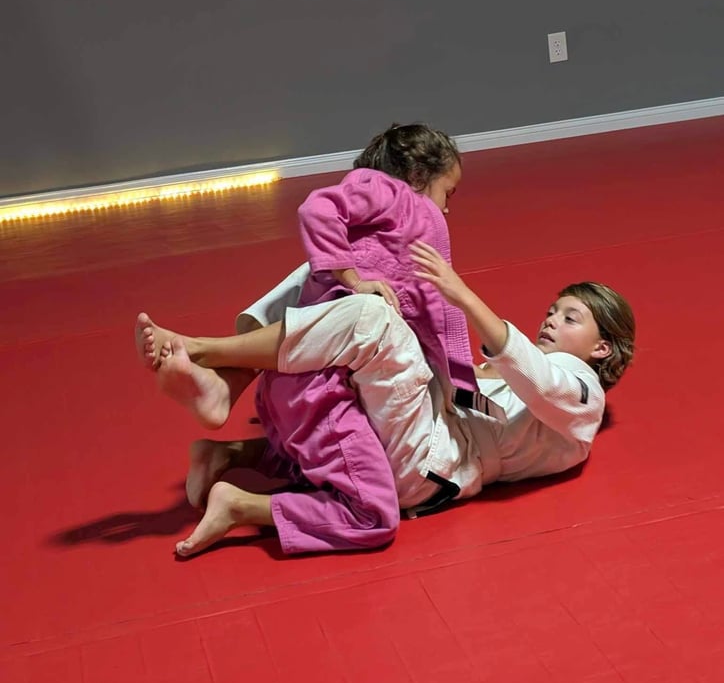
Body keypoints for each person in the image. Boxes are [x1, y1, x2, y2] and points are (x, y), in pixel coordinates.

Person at [139, 242, 635, 557]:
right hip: (421, 430)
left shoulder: (583, 403)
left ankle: (204, 353)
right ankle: (228, 441)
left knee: (371, 320)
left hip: (435, 462)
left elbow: (543, 384)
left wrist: (461, 295)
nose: (550, 319)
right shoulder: (508, 371)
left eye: (570, 318)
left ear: (602, 349)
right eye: (552, 310)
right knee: (348, 264)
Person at [137, 123, 482, 555]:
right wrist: (353, 280)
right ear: (417, 176)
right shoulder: (394, 195)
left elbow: (427, 317)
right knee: (375, 515)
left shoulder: (385, 230)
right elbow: (318, 209)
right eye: (448, 193)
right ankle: (239, 504)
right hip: (320, 386)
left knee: (336, 455)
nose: (446, 210)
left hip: (298, 383)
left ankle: (222, 441)